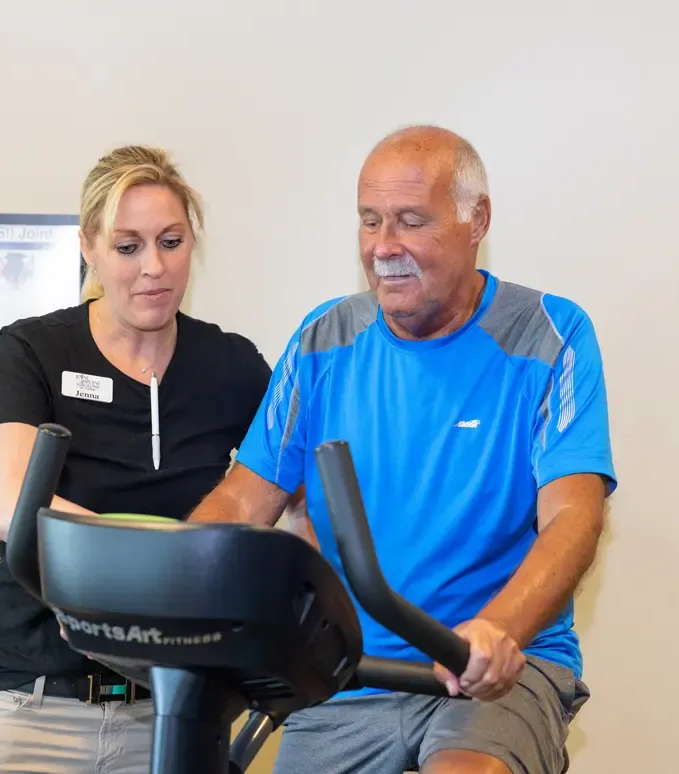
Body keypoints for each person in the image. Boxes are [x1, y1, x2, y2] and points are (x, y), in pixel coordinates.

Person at [186, 125, 617, 774]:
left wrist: (497, 631)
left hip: (491, 671)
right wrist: (164, 579)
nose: (383, 247)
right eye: (369, 221)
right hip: (350, 672)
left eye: (411, 221)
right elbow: (242, 500)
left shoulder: (548, 335)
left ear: (478, 221)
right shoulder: (322, 338)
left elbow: (573, 516)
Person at [0, 144, 297, 774]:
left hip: (174, 708)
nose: (153, 267)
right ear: (89, 247)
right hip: (37, 700)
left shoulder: (231, 365)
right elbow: (12, 508)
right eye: (128, 246)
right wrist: (162, 567)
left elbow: (299, 505)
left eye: (171, 241)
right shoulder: (32, 349)